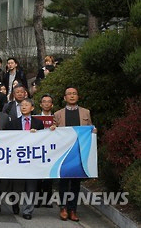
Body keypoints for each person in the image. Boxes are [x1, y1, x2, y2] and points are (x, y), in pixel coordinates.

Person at [54, 87, 95, 222]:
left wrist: (93, 131)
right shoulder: (58, 114)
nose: (72, 96)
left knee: (76, 183)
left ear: (78, 96)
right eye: (69, 94)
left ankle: (73, 209)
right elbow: (53, 134)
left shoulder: (85, 112)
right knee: (64, 182)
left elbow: (90, 128)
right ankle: (63, 207)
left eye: (74, 94)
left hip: (80, 152)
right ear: (64, 98)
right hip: (64, 153)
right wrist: (52, 129)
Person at [6, 98, 44, 220]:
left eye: (26, 105)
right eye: (22, 105)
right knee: (16, 185)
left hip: (32, 159)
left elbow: (44, 140)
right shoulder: (13, 123)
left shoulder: (38, 124)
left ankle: (28, 210)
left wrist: (37, 134)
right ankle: (15, 204)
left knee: (31, 185)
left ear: (32, 108)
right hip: (17, 158)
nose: (23, 107)